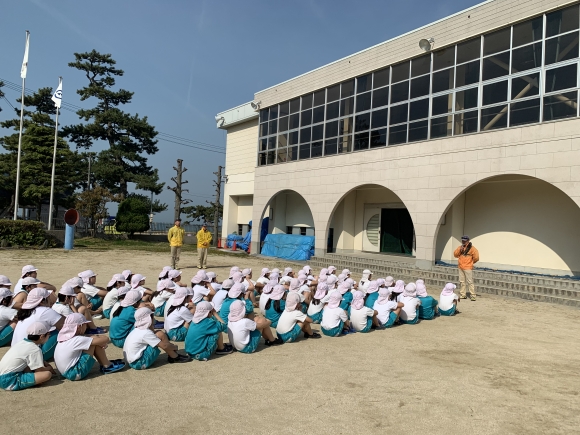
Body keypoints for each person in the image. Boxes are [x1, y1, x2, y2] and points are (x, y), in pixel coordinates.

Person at [54, 314, 125, 381]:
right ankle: (107, 365)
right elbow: (105, 338)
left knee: (92, 341)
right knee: (92, 343)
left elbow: (88, 339)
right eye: (85, 324)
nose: (87, 326)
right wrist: (98, 340)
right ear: (79, 327)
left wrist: (94, 338)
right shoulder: (76, 340)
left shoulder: (65, 338)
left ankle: (106, 363)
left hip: (64, 372)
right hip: (75, 373)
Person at [123, 308, 191, 369]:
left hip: (132, 361)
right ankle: (174, 357)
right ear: (149, 318)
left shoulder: (137, 329)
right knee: (160, 335)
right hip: (140, 363)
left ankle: (173, 356)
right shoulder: (145, 332)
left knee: (158, 334)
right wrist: (174, 347)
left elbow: (152, 332)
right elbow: (164, 346)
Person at [0, 322, 55, 391]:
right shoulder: (35, 349)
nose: (49, 337)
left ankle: (31, 379)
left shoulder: (22, 342)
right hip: (10, 380)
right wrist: (49, 368)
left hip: (2, 376)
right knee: (47, 374)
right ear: (41, 336)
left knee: (26, 363)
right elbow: (39, 370)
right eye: (48, 334)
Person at [12, 288, 65, 360]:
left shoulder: (25, 311)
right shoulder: (44, 311)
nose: (50, 299)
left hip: (16, 353)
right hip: (30, 357)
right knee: (60, 332)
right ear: (42, 301)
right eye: (48, 297)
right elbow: (67, 325)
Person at [454, 235, 479, 301]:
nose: (463, 242)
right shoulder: (460, 247)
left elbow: (476, 257)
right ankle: (463, 294)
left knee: (470, 282)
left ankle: (473, 295)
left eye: (464, 241)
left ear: (468, 241)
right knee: (462, 281)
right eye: (462, 240)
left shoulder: (472, 248)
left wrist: (471, 263)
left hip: (468, 267)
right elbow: (455, 255)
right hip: (461, 267)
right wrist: (460, 250)